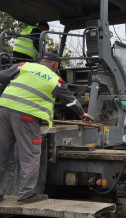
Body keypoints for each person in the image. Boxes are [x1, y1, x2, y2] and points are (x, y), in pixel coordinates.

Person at [0, 52, 93, 204]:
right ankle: (27, 194)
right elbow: (70, 101)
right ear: (55, 65)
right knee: (30, 155)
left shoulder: (24, 65)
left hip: (3, 110)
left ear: (42, 61)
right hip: (26, 116)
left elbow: (2, 77)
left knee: (1, 153)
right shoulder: (56, 80)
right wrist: (82, 113)